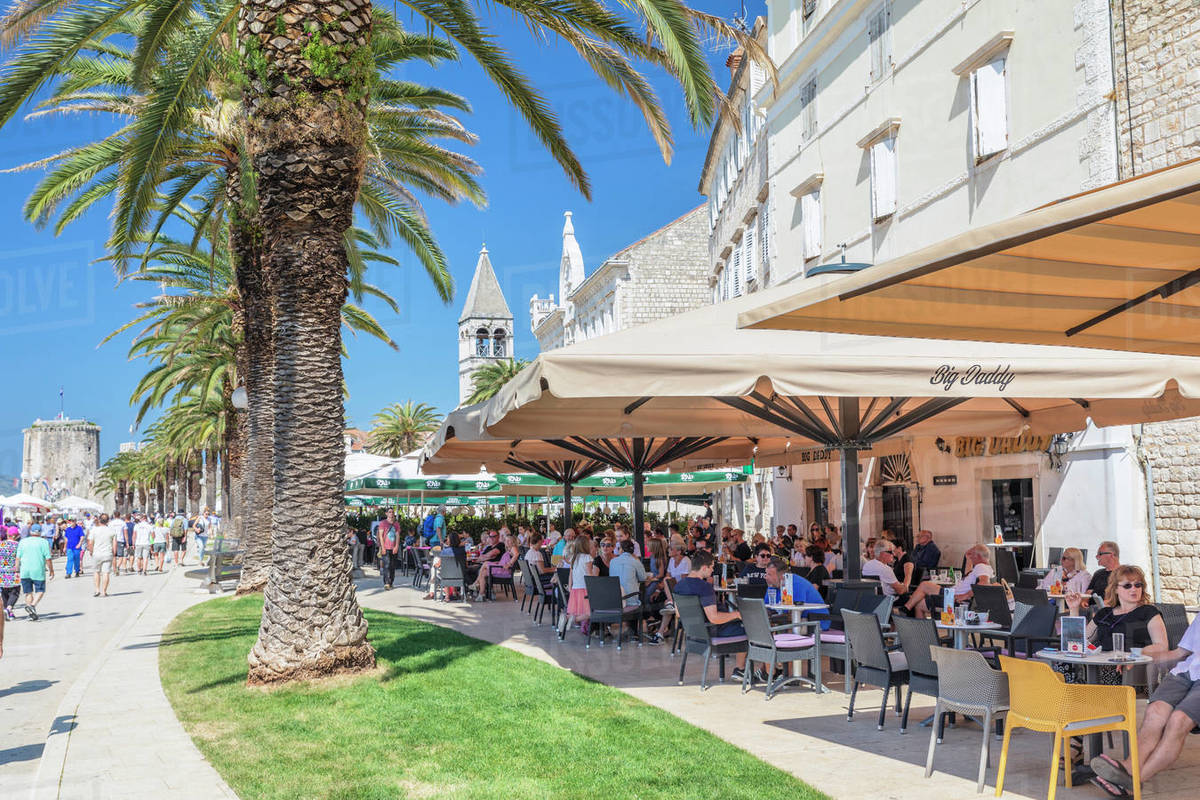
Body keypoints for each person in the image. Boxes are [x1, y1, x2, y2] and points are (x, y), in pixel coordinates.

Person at [1090, 604, 1200, 793]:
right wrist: (1136, 659)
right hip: (1186, 672)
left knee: (1178, 720)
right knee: (1155, 712)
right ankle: (1129, 767)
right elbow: (1178, 654)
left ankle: (1132, 784)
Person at [1061, 565, 1167, 684]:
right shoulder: (1105, 613)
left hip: (1133, 670)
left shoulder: (1149, 612)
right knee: (1062, 669)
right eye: (1127, 585)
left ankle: (1083, 694)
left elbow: (1162, 646)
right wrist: (1074, 609)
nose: (1134, 589)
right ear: (1115, 589)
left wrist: (1134, 655)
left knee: (1098, 675)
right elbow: (1079, 641)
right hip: (1098, 665)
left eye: (1138, 585)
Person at [673, 550, 749, 677]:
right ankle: (740, 669)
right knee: (750, 629)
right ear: (704, 567)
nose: (712, 571)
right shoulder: (705, 587)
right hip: (712, 633)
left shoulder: (679, 586)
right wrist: (736, 614)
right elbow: (714, 618)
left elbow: (678, 614)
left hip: (694, 634)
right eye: (712, 567)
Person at [905, 543, 993, 618]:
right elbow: (967, 574)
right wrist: (968, 558)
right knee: (919, 604)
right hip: (952, 594)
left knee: (925, 585)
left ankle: (906, 609)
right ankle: (923, 633)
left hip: (954, 598)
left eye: (972, 555)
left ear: (977, 556)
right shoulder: (983, 568)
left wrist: (965, 595)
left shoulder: (981, 566)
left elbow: (983, 584)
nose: (971, 556)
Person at [764, 556, 828, 630]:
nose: (766, 577)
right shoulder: (773, 585)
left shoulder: (796, 584)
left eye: (769, 575)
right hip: (796, 622)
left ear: (782, 577)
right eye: (766, 573)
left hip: (815, 622)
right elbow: (766, 608)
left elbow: (792, 614)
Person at [560, 533, 596, 637]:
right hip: (585, 588)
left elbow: (571, 574)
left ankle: (568, 618)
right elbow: (589, 574)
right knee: (590, 612)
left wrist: (570, 587)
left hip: (575, 589)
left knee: (578, 610)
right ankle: (572, 619)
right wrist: (595, 584)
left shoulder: (573, 558)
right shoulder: (587, 558)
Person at [15, 523, 53, 620]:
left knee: (28, 592)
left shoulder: (22, 542)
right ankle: (32, 606)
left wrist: (16, 570)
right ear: (40, 532)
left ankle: (31, 614)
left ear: (30, 531)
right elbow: (48, 558)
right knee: (40, 591)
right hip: (38, 570)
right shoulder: (44, 542)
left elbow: (18, 558)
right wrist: (51, 571)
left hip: (25, 571)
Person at [377, 510, 400, 589]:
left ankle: (391, 581)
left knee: (392, 566)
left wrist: (396, 546)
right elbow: (380, 535)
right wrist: (382, 547)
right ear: (386, 513)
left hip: (393, 547)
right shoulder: (383, 523)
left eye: (392, 512)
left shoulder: (396, 524)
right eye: (389, 512)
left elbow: (397, 535)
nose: (391, 513)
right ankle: (386, 583)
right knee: (386, 565)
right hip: (386, 547)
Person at [1, 530, 20, 621]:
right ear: (14, 536)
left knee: (4, 592)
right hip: (14, 572)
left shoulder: (1, 544)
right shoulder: (18, 545)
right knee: (15, 592)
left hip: (2, 572)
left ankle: (8, 613)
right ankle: (8, 609)